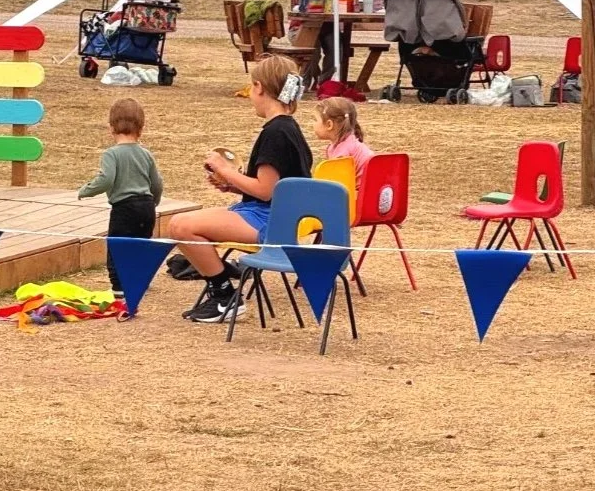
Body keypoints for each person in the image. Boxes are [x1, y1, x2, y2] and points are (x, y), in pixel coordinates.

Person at [170, 54, 313, 323]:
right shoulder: (288, 129)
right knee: (186, 226)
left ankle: (224, 297)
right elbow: (278, 189)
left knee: (181, 226)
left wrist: (227, 171)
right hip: (275, 217)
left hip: (266, 222)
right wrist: (232, 186)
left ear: (259, 87)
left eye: (250, 89)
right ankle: (224, 279)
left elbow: (266, 191)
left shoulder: (275, 133)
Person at [77, 98, 164, 300]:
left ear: (111, 127)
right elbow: (157, 183)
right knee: (141, 243)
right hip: (146, 205)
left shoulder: (111, 154)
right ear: (141, 128)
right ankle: (140, 279)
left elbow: (106, 179)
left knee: (117, 246)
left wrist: (86, 190)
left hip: (124, 208)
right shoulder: (146, 154)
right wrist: (154, 202)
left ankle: (118, 287)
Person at [292, 0, 335, 85]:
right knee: (312, 51)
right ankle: (304, 83)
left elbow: (341, 0)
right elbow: (297, 5)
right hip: (303, 27)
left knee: (337, 48)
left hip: (327, 26)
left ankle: (324, 82)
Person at [314, 96, 374, 191]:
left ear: (329, 125)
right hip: (367, 193)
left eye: (316, 120)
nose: (313, 124)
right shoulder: (349, 142)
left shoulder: (343, 152)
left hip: (356, 197)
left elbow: (337, 186)